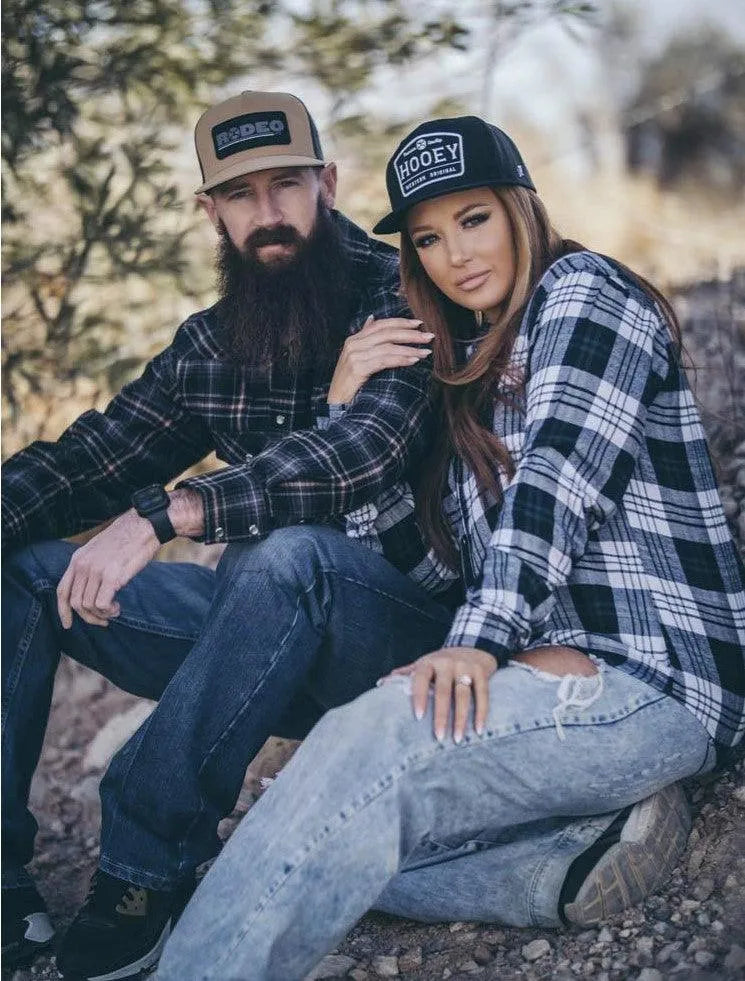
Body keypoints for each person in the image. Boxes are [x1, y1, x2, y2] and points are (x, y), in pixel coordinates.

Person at [155, 115, 745, 981]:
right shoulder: (466, 365)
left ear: (518, 209)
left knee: (363, 762)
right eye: (427, 238)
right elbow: (429, 564)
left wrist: (477, 641)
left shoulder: (583, 293)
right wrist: (342, 408)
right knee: (316, 820)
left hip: (659, 682)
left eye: (473, 219)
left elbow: (557, 483)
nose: (455, 255)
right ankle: (562, 860)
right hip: (548, 681)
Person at [1, 90, 446, 977]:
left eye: (286, 184)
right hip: (260, 646)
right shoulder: (210, 345)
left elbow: (362, 451)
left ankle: (140, 870)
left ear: (327, 183)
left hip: (405, 642)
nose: (267, 212)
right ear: (210, 210)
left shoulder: (403, 289)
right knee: (26, 570)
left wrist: (164, 514)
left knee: (283, 556)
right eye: (240, 193)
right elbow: (85, 462)